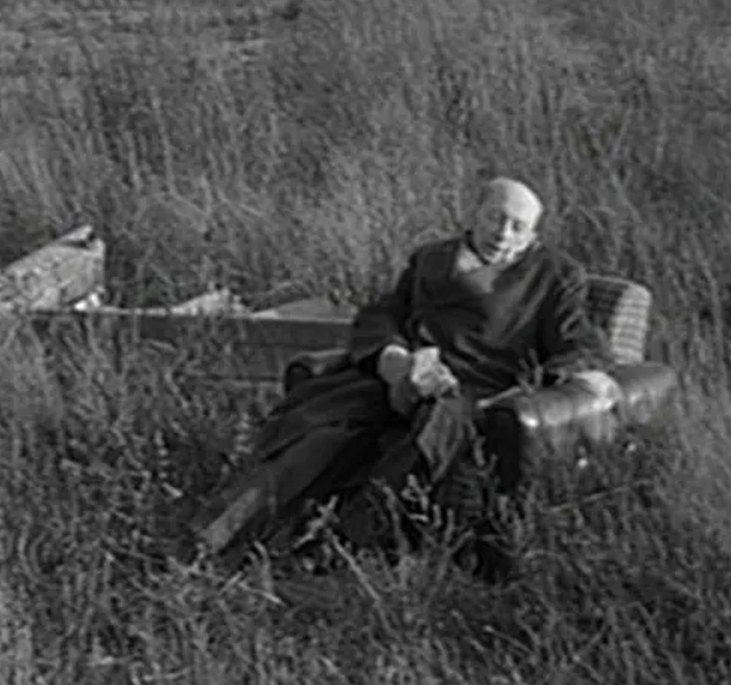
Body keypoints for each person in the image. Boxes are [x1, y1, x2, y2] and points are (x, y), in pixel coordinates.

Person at [188, 178, 616, 577]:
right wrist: (391, 356)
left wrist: (530, 392)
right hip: (402, 376)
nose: (503, 233)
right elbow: (383, 314)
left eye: (518, 227)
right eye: (495, 218)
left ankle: (337, 547)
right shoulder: (431, 258)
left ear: (533, 236)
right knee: (319, 432)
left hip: (476, 392)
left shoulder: (556, 277)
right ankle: (210, 538)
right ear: (472, 214)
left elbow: (578, 347)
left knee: (431, 432)